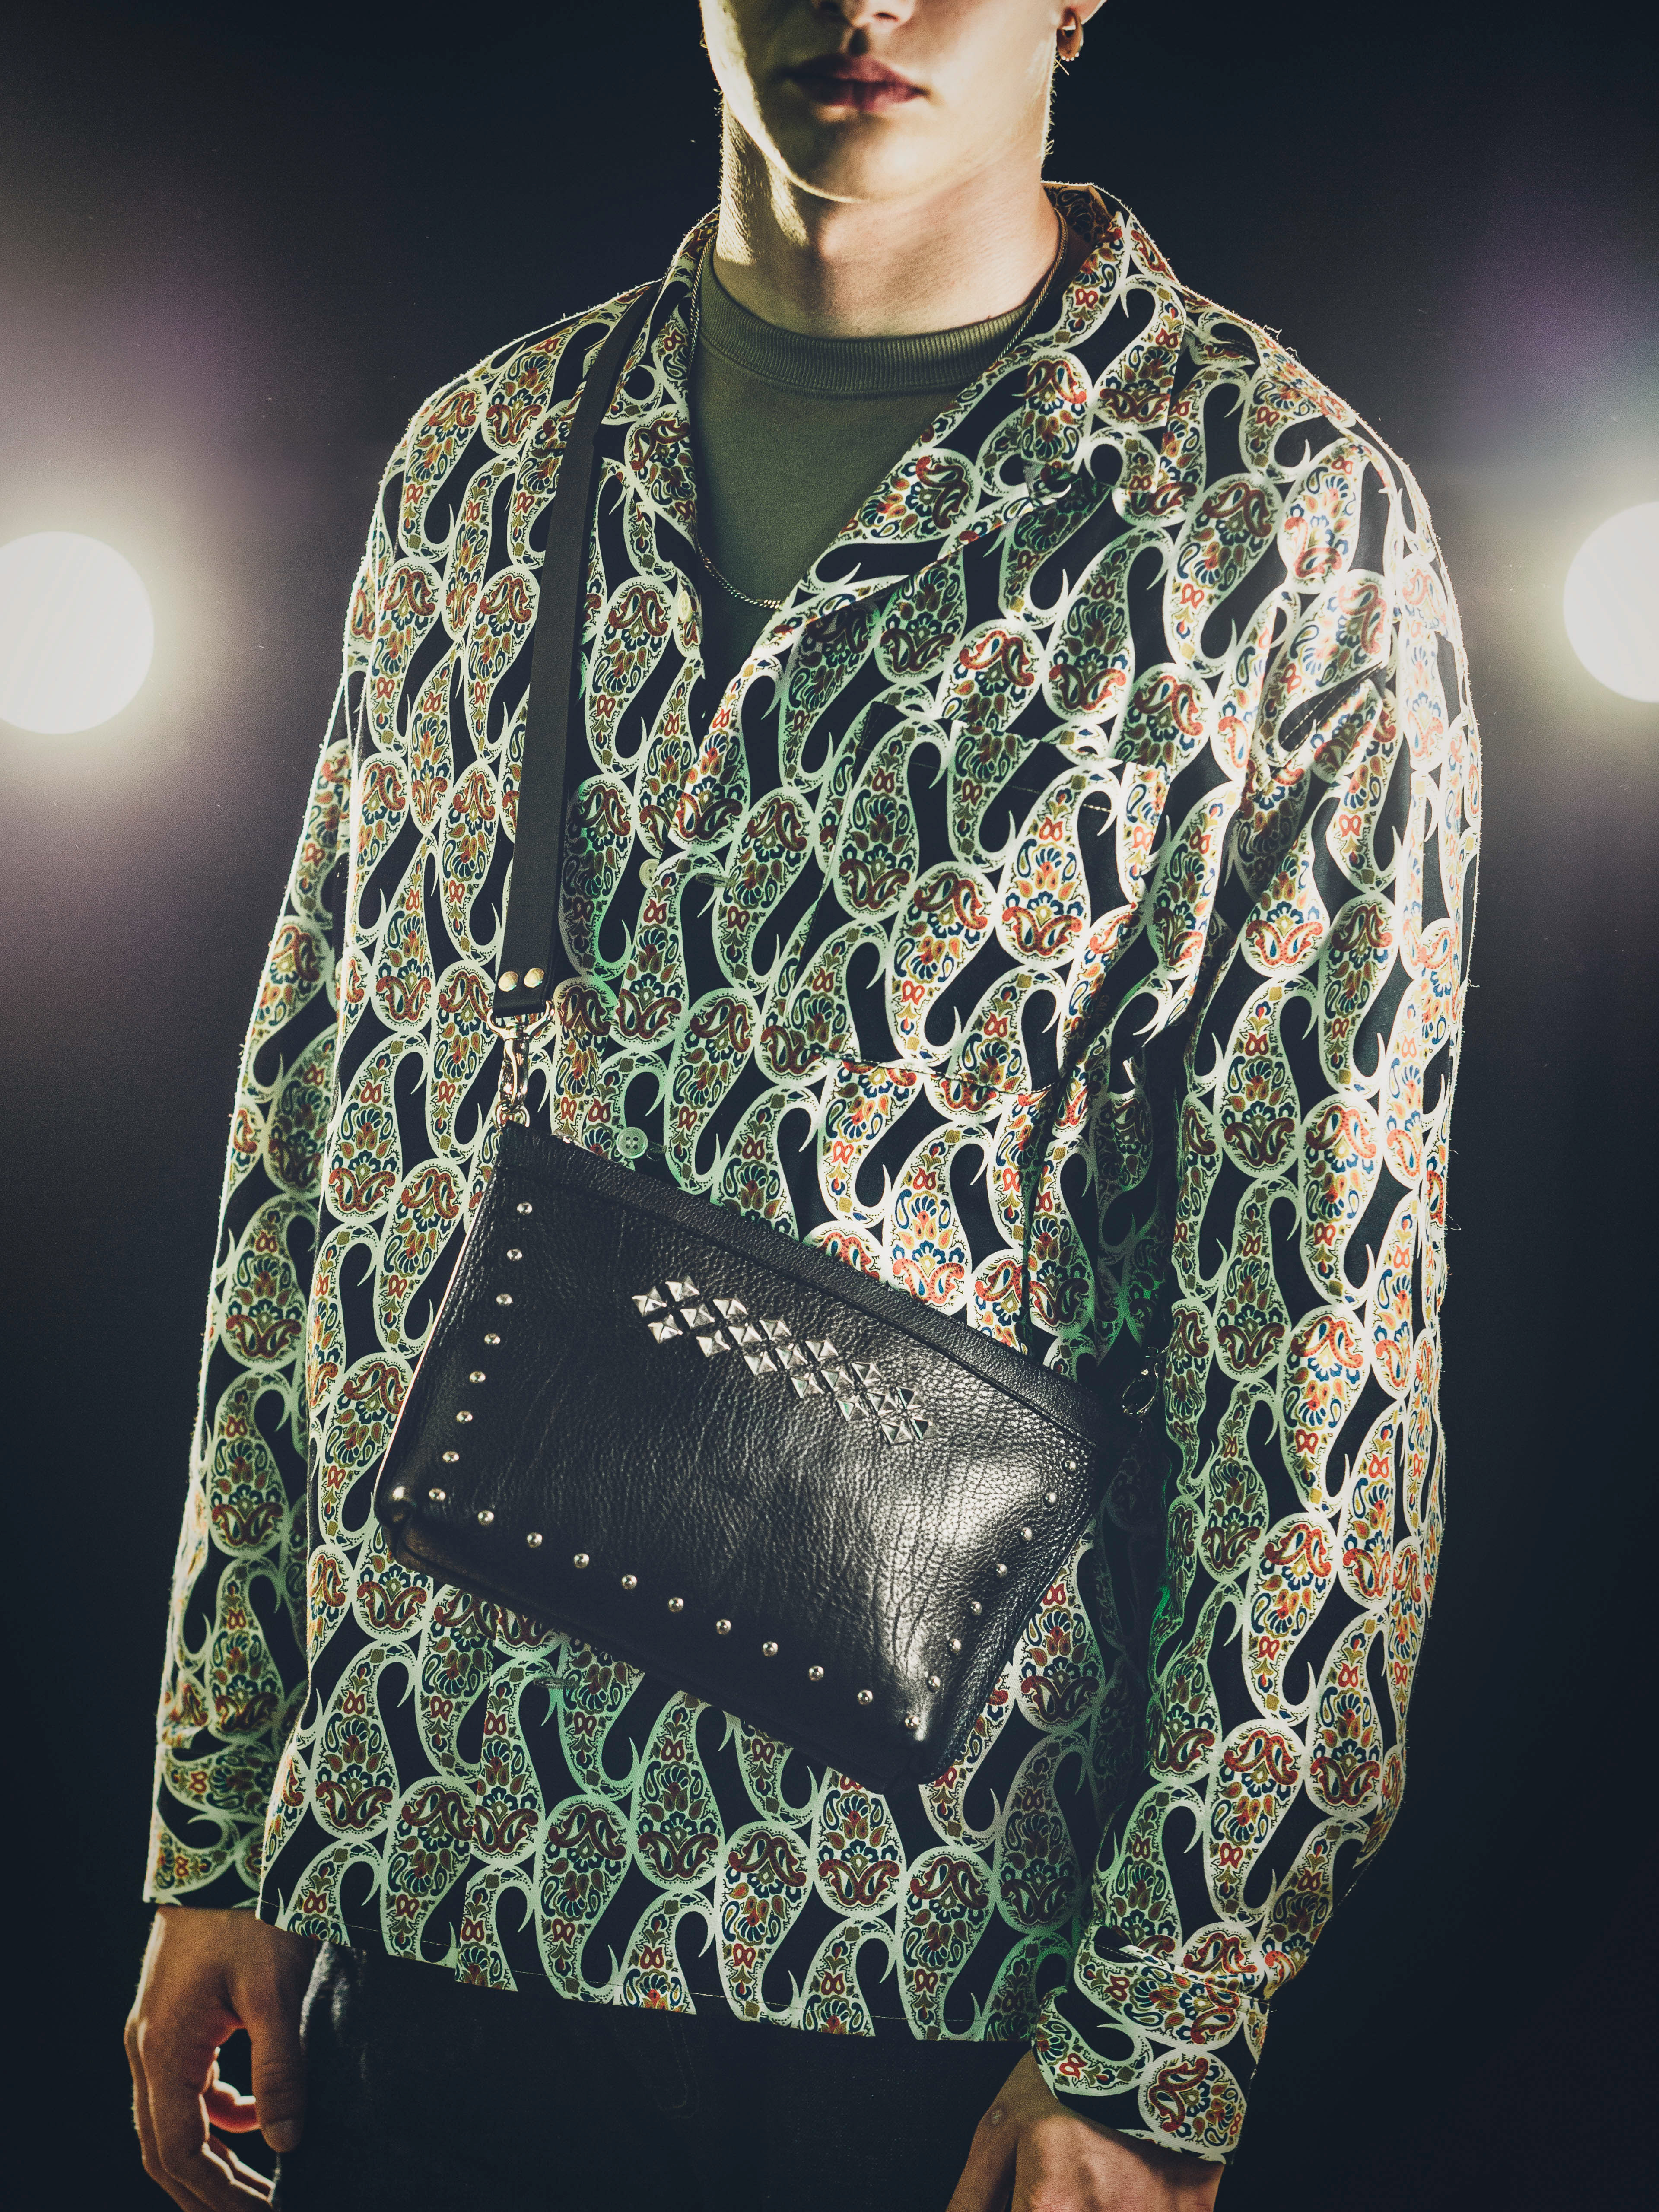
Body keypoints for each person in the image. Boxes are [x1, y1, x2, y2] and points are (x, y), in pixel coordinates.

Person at [125, 2, 1479, 2207]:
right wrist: (217, 1822)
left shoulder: (1275, 511)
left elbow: (1329, 1332)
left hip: (911, 1952)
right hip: (411, 1867)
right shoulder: (485, 460)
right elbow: (314, 1154)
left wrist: (1160, 2037)